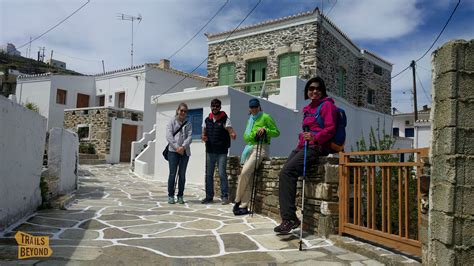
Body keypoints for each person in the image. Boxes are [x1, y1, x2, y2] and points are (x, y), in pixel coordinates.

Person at [274, 77, 337, 233]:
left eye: (317, 88)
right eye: (310, 89)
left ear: (322, 90)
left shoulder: (327, 106)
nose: (314, 91)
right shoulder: (308, 109)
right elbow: (306, 131)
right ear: (307, 91)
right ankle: (291, 218)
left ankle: (289, 219)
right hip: (303, 146)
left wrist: (315, 137)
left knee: (288, 172)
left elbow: (330, 129)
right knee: (283, 174)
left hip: (318, 146)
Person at [233, 98, 280, 215]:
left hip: (261, 148)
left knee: (244, 173)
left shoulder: (266, 117)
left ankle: (237, 201)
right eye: (252, 107)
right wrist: (254, 134)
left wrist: (265, 129)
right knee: (247, 176)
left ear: (259, 106)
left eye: (255, 107)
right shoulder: (250, 119)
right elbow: (246, 137)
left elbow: (276, 132)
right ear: (249, 108)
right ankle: (244, 206)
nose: (254, 109)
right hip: (250, 148)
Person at [201, 98, 237, 205]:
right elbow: (203, 133)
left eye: (217, 106)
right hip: (210, 151)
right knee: (208, 174)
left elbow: (231, 131)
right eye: (213, 105)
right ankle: (209, 197)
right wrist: (203, 137)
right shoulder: (207, 120)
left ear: (220, 107)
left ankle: (225, 196)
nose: (215, 107)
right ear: (211, 107)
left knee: (222, 174)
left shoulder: (226, 119)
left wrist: (232, 134)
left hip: (222, 152)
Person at [166, 103, 193, 204]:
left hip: (185, 152)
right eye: (181, 110)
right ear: (177, 110)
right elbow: (168, 136)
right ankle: (170, 195)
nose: (183, 112)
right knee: (172, 174)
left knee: (182, 174)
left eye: (185, 111)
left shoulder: (188, 123)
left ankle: (180, 195)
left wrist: (183, 147)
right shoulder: (171, 122)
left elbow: (190, 137)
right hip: (173, 151)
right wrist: (177, 147)